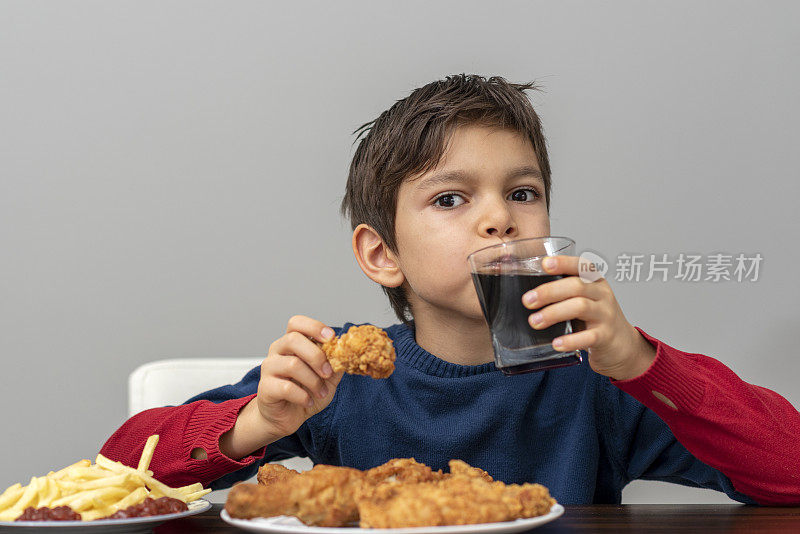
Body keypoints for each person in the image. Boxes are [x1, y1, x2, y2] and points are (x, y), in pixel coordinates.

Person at [101, 74, 800, 505]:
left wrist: (643, 366)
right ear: (382, 255)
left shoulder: (599, 382)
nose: (499, 216)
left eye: (522, 192)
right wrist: (257, 422)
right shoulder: (339, 373)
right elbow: (118, 469)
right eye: (451, 199)